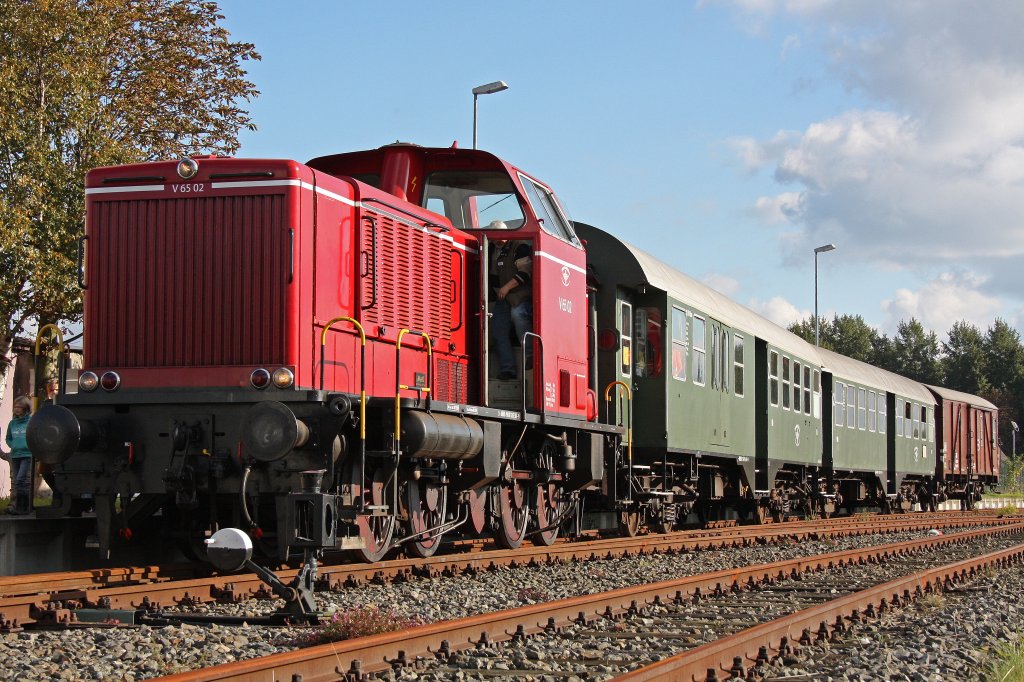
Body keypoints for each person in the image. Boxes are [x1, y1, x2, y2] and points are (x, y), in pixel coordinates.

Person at [491, 238, 533, 380]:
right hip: (504, 297)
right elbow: (494, 277)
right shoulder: (495, 250)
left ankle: (529, 355)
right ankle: (508, 369)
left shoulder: (520, 247)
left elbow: (525, 273)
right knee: (498, 330)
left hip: (521, 295)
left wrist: (506, 287)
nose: (496, 241)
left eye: (499, 238)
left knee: (518, 314)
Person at [5, 396, 33, 515]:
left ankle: (24, 506)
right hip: (15, 455)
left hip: (26, 455)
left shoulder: (30, 422)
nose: (16, 409)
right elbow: (8, 438)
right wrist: (13, 445)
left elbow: (34, 436)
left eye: (19, 407)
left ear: (25, 408)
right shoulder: (12, 423)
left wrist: (27, 445)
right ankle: (20, 506)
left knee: (21, 479)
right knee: (17, 481)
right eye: (15, 407)